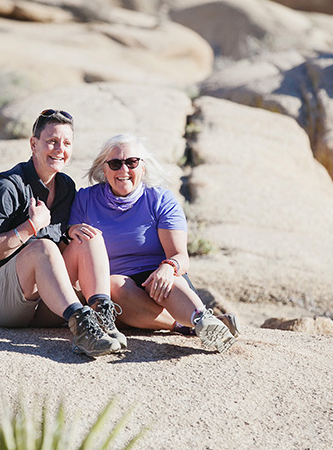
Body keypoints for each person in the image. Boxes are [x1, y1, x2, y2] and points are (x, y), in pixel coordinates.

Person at [0, 109, 125, 357]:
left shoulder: (65, 187)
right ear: (34, 144)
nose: (59, 149)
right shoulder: (8, 186)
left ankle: (101, 317)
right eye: (51, 141)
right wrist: (30, 227)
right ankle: (82, 328)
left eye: (66, 143)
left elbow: (61, 251)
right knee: (42, 247)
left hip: (41, 303)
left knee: (89, 236)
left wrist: (71, 232)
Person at [68, 133, 237, 352]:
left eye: (131, 162)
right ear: (104, 168)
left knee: (168, 279)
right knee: (113, 285)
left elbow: (180, 256)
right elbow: (72, 250)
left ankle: (202, 320)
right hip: (115, 292)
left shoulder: (160, 200)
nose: (123, 170)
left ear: (143, 167)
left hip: (157, 281)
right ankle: (185, 328)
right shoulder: (84, 200)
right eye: (115, 163)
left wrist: (169, 267)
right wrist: (71, 230)